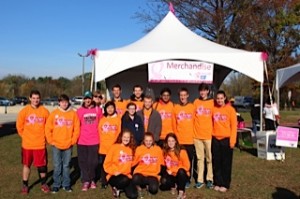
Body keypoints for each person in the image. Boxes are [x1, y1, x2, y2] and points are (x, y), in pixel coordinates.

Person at [16, 90, 51, 194]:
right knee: (26, 165)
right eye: (34, 98)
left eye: (38, 98)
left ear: (40, 99)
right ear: (30, 98)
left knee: (42, 166)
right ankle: (25, 185)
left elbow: (48, 127)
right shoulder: (24, 111)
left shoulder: (44, 111)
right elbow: (19, 126)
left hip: (40, 145)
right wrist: (26, 137)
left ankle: (44, 184)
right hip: (27, 145)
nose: (36, 100)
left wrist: (46, 138)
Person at [45, 94, 80, 193]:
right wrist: (51, 140)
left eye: (66, 102)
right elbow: (48, 128)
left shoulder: (73, 114)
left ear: (68, 102)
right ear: (59, 102)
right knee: (57, 165)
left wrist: (73, 140)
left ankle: (66, 184)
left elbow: (76, 129)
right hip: (56, 144)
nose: (64, 104)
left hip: (68, 145)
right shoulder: (54, 114)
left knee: (66, 165)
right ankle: (56, 184)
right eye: (62, 102)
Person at [77, 91, 103, 191]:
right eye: (86, 98)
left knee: (93, 162)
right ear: (84, 99)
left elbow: (101, 124)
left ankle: (92, 179)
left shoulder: (98, 110)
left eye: (89, 98)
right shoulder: (79, 111)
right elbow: (77, 124)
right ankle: (86, 180)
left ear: (92, 99)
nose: (88, 100)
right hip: (82, 140)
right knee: (83, 162)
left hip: (94, 140)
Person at [212, 90, 237, 193]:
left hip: (226, 139)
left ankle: (225, 183)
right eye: (218, 98)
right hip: (215, 139)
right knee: (216, 162)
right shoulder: (214, 109)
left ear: (225, 98)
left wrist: (232, 141)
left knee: (226, 163)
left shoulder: (230, 110)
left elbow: (234, 126)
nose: (219, 100)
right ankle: (218, 182)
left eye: (221, 98)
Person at [104, 129, 138, 199]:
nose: (126, 139)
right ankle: (115, 187)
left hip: (126, 175)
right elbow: (106, 164)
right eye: (124, 137)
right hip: (115, 175)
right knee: (124, 180)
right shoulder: (114, 147)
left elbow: (133, 163)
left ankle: (121, 188)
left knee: (133, 195)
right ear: (121, 137)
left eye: (128, 137)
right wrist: (113, 172)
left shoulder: (131, 149)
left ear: (130, 138)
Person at [172, 87, 196, 188]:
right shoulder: (175, 108)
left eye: (184, 95)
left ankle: (187, 179)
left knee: (188, 161)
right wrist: (175, 138)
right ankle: (179, 178)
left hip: (190, 140)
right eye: (181, 95)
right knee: (179, 160)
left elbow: (196, 122)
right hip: (179, 140)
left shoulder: (192, 107)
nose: (182, 97)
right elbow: (174, 124)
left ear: (187, 95)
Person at [193, 83, 214, 189]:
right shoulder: (196, 102)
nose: (202, 92)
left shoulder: (212, 103)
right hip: (197, 136)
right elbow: (192, 118)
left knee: (209, 158)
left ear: (208, 91)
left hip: (208, 136)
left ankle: (209, 179)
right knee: (200, 159)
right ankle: (200, 180)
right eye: (201, 90)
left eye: (204, 90)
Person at [132, 132, 164, 197]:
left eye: (150, 141)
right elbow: (134, 162)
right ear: (144, 140)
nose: (148, 142)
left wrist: (160, 175)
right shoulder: (139, 149)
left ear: (153, 141)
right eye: (146, 140)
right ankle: (139, 187)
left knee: (154, 189)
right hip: (141, 173)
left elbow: (162, 163)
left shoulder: (158, 149)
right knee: (135, 179)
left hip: (153, 174)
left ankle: (148, 185)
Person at [98, 101, 121, 189]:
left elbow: (119, 132)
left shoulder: (118, 119)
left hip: (113, 146)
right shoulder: (103, 119)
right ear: (105, 109)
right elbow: (99, 131)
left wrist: (115, 143)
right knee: (104, 165)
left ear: (114, 109)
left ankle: (113, 180)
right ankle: (104, 181)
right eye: (108, 108)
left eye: (112, 107)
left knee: (114, 164)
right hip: (104, 146)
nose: (110, 109)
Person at [160, 133, 190, 199]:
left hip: (181, 174)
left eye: (172, 141)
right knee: (163, 181)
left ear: (176, 141)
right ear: (166, 142)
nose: (171, 143)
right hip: (171, 174)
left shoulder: (182, 151)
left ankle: (181, 191)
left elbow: (187, 167)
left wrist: (173, 170)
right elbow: (163, 164)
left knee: (181, 171)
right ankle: (173, 186)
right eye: (169, 141)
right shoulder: (165, 152)